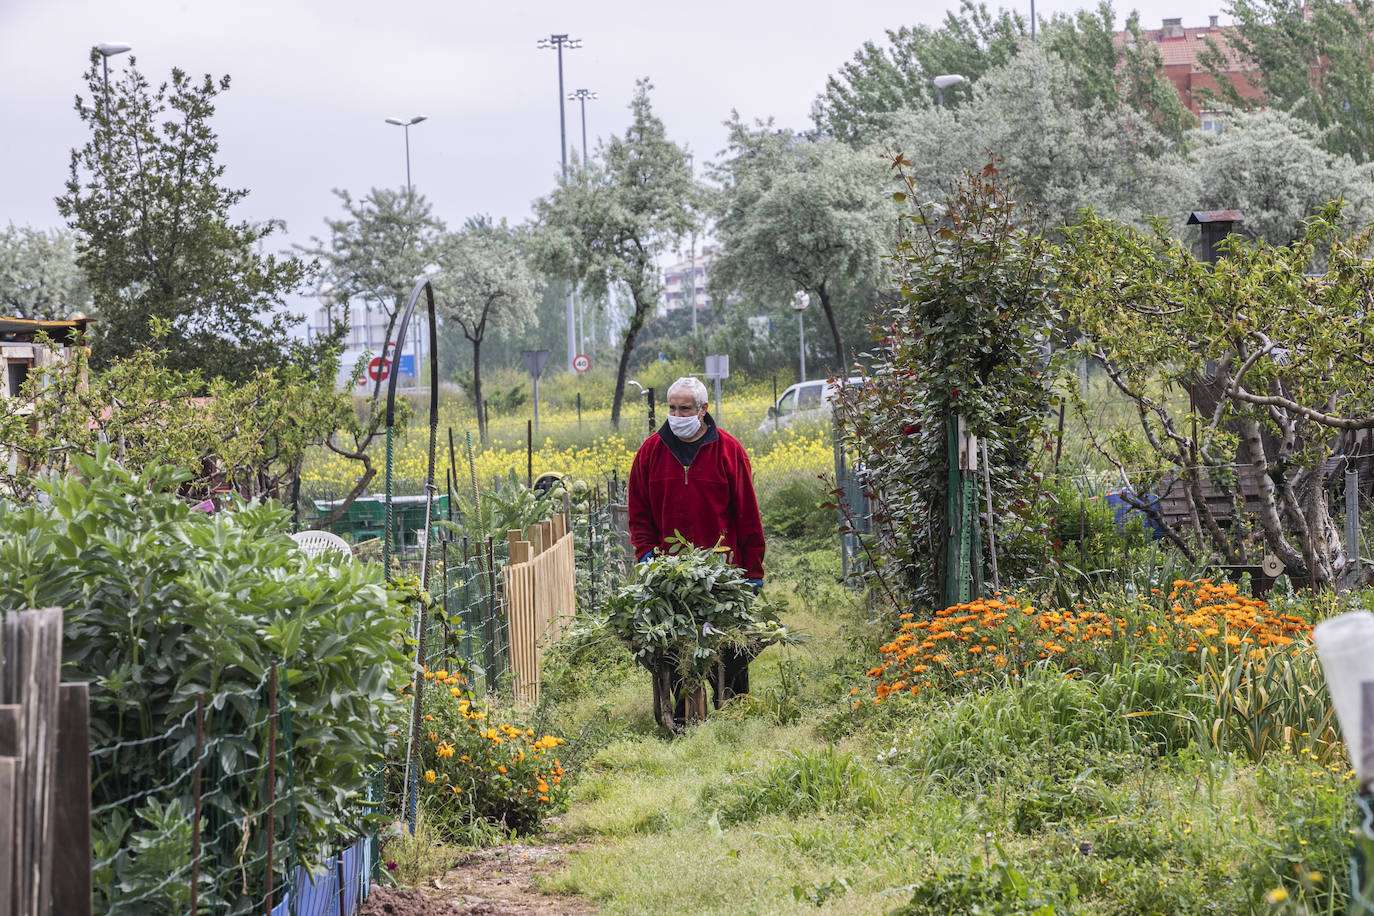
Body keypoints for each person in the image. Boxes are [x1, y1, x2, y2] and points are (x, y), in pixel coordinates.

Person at [628, 376, 765, 702]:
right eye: (672, 408)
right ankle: (682, 713)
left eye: (685, 409)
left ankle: (732, 707)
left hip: (723, 575)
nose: (677, 415)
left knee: (730, 648)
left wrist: (754, 571)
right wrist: (647, 555)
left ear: (703, 409)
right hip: (670, 575)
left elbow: (748, 515)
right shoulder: (650, 453)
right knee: (674, 649)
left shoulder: (729, 452)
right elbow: (639, 514)